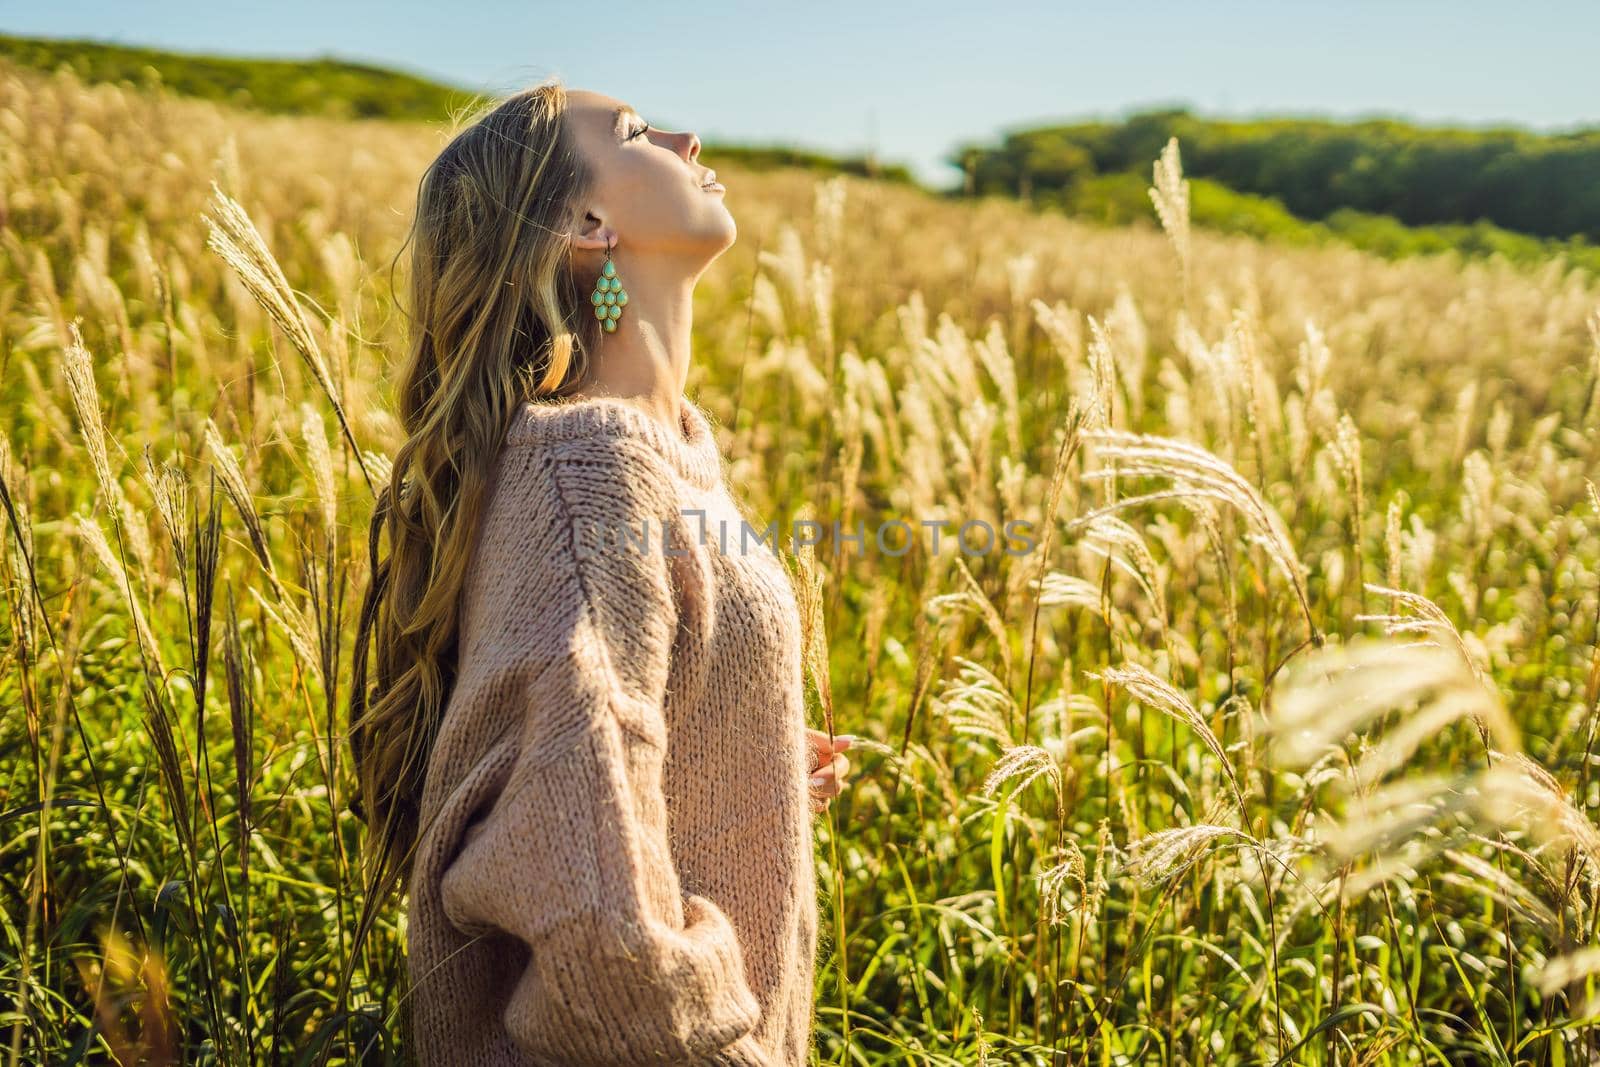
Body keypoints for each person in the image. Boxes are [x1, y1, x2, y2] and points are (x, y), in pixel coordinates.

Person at [346, 78, 854, 1065]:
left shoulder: (672, 456)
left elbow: (591, 753)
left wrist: (747, 763)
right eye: (633, 132)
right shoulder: (586, 470)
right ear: (586, 221)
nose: (687, 133)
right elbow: (586, 911)